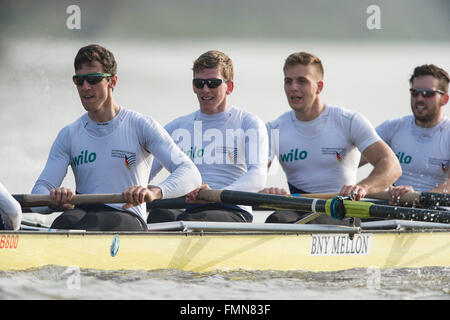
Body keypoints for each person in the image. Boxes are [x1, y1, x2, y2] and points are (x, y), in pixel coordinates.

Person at [31, 44, 202, 231]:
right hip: (82, 215)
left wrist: (153, 192)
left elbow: (190, 173)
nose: (85, 87)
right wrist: (54, 200)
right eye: (79, 81)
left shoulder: (141, 126)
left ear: (112, 81)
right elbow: (38, 195)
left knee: (85, 224)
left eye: (93, 79)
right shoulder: (69, 134)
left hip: (126, 216)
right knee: (64, 222)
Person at [263, 51, 402, 224]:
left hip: (341, 209)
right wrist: (264, 192)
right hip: (299, 208)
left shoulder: (348, 121)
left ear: (319, 87)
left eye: (302, 81)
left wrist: (363, 187)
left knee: (292, 223)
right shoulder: (273, 129)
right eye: (288, 81)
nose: (293, 88)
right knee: (276, 220)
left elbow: (392, 166)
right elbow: (254, 175)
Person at [148, 50, 268, 223]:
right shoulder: (176, 127)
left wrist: (217, 194)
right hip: (185, 205)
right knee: (158, 216)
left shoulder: (249, 123)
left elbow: (257, 177)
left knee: (193, 220)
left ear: (230, 87)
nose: (205, 89)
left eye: (213, 83)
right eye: (199, 83)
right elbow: (145, 172)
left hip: (230, 207)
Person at [360, 64, 449, 204]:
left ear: (444, 99)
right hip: (391, 206)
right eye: (415, 92)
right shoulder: (392, 128)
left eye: (427, 93)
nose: (419, 98)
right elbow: (351, 160)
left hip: (433, 210)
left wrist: (416, 197)